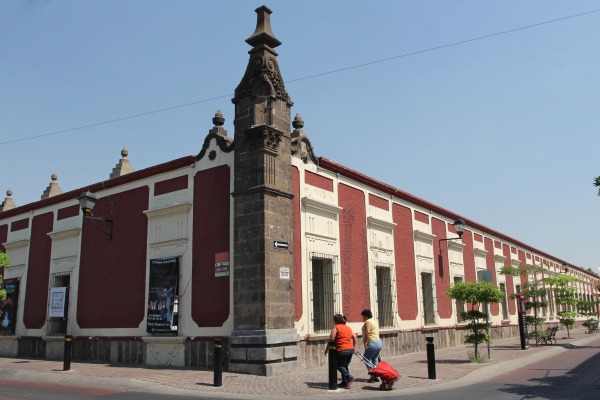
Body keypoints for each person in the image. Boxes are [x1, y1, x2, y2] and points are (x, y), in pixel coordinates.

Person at [325, 314, 357, 388]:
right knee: (345, 366)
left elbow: (332, 339)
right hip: (350, 349)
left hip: (342, 349)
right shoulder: (348, 328)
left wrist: (327, 349)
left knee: (338, 365)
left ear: (335, 321)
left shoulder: (336, 328)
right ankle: (345, 382)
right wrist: (354, 346)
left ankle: (349, 377)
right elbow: (354, 337)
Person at [361, 309, 382, 383]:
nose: (362, 318)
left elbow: (367, 332)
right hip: (378, 342)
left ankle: (373, 374)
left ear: (366, 316)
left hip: (372, 342)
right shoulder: (374, 321)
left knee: (365, 359)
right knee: (375, 359)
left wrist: (365, 342)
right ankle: (377, 375)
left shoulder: (368, 322)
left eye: (363, 316)